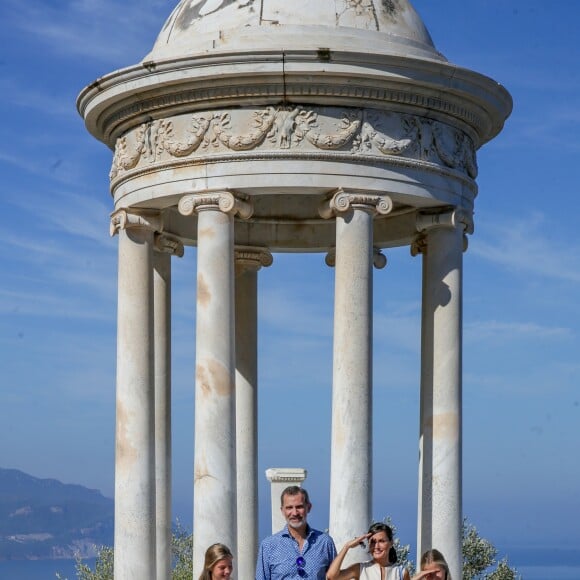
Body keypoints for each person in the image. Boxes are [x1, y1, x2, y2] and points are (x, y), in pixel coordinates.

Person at [255, 485, 337, 579]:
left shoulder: (325, 542)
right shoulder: (268, 546)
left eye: (299, 507)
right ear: (282, 511)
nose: (295, 513)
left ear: (309, 507)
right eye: (289, 508)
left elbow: (336, 577)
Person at [326, 522, 411, 580]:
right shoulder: (360, 568)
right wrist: (347, 546)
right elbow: (331, 577)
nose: (376, 546)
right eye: (373, 542)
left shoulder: (401, 572)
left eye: (381, 541)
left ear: (391, 543)